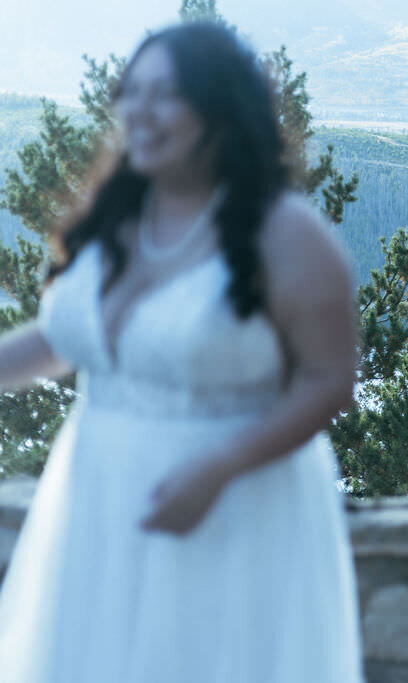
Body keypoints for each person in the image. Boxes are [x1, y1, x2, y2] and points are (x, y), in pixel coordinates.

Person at [0, 21, 364, 682]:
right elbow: (66, 339)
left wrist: (219, 468)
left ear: (219, 107)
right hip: (98, 498)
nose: (137, 110)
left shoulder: (284, 233)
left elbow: (330, 377)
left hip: (232, 504)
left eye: (163, 93)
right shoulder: (118, 218)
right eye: (130, 91)